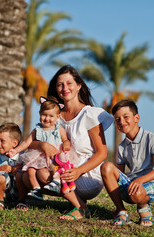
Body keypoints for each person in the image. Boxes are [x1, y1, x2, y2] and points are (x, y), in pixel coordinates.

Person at [21, 65, 114, 220]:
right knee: (29, 176)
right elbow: (32, 140)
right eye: (60, 84)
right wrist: (43, 145)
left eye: (69, 83)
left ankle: (81, 208)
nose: (65, 88)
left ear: (78, 86)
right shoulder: (55, 115)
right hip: (60, 169)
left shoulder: (89, 115)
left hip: (86, 174)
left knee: (46, 175)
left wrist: (78, 171)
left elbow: (101, 153)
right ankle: (76, 203)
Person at [100, 99, 154, 226]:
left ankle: (144, 210)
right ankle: (121, 211)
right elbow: (118, 175)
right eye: (117, 119)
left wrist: (139, 181)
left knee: (137, 192)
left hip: (151, 183)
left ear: (136, 118)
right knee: (106, 166)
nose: (121, 121)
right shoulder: (121, 147)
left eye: (126, 117)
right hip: (132, 184)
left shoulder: (151, 138)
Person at [7, 96, 71, 201]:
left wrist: (66, 144)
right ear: (40, 114)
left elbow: (65, 140)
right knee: (31, 170)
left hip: (52, 156)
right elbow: (27, 142)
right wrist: (15, 150)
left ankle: (56, 181)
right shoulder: (37, 130)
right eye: (44, 115)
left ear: (58, 117)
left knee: (53, 168)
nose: (47, 118)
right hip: (37, 156)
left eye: (51, 116)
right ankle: (36, 189)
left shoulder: (59, 129)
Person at [0, 123, 24, 210]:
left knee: (22, 174)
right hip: (3, 192)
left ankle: (21, 201)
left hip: (19, 190)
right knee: (0, 176)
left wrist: (19, 167)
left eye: (2, 141)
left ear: (14, 143)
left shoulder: (23, 156)